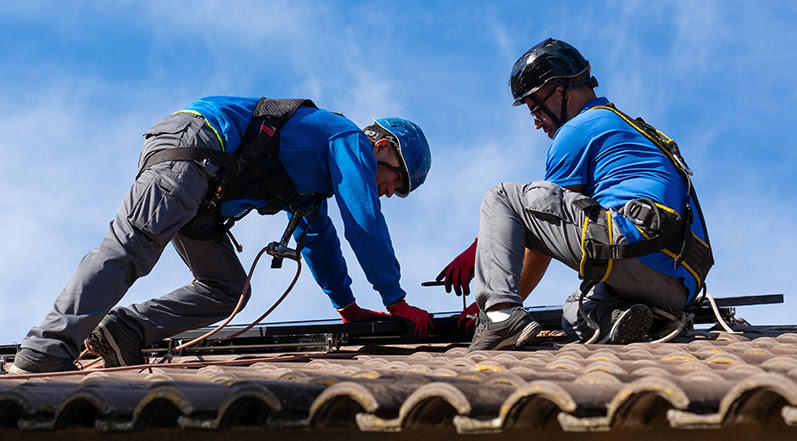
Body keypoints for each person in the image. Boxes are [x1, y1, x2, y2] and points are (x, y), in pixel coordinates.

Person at [11, 96, 433, 374]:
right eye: (397, 180)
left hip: (205, 195)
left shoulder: (311, 186)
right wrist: (396, 299)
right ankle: (45, 351)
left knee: (227, 289)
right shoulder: (348, 139)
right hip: (194, 150)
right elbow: (364, 219)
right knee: (131, 248)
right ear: (381, 147)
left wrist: (349, 308)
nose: (390, 191)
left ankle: (127, 331)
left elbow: (321, 238)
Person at [438, 38, 712, 351]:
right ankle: (646, 320)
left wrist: (487, 303)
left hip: (637, 255)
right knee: (575, 312)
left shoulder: (578, 130)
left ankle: (500, 319)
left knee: (501, 197)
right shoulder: (625, 127)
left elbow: (539, 234)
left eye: (536, 108)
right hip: (679, 287)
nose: (537, 123)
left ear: (559, 90)